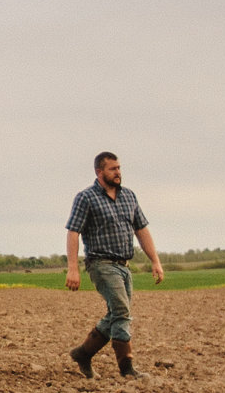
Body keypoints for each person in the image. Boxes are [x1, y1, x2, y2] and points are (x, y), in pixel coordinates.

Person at [65, 152, 164, 379]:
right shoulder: (86, 198)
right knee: (121, 311)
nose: (118, 172)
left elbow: (141, 230)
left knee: (117, 313)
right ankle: (126, 368)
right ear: (99, 172)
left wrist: (155, 261)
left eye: (119, 168)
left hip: (124, 265)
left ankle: (83, 353)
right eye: (112, 169)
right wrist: (73, 267)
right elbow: (73, 232)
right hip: (101, 263)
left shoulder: (129, 196)